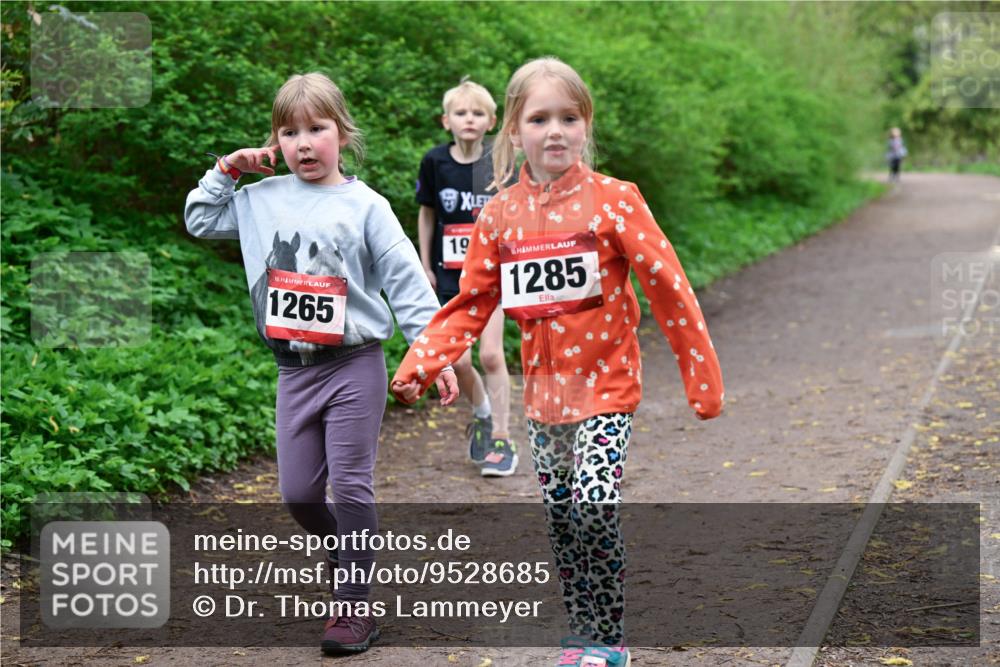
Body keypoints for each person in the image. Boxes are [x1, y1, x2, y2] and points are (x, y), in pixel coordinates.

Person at [391, 57, 724, 667]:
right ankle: (582, 632)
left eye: (569, 118)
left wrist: (702, 382)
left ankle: (608, 640)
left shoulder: (615, 202)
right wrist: (421, 361)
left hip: (607, 386)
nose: (556, 131)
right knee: (565, 520)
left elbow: (671, 289)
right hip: (545, 399)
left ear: (585, 125)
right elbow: (471, 304)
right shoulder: (499, 215)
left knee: (595, 503)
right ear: (513, 130)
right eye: (540, 118)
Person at [184, 72, 458, 656]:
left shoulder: (367, 206)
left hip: (355, 364)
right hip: (293, 369)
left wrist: (435, 354)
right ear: (274, 142)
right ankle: (349, 552)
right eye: (290, 132)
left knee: (352, 487)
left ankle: (353, 607)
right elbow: (200, 220)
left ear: (342, 133)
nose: (304, 143)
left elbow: (409, 284)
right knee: (299, 494)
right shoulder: (259, 200)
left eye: (317, 129)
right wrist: (229, 168)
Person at [416, 77, 517, 477]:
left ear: (491, 121)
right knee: (458, 363)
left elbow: (515, 216)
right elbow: (427, 213)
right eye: (461, 113)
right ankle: (482, 413)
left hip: (491, 278)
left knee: (491, 355)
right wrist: (424, 263)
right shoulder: (435, 162)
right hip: (449, 279)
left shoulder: (497, 161)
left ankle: (503, 441)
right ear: (447, 121)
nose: (469, 120)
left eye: (478, 113)